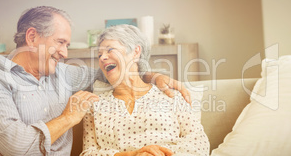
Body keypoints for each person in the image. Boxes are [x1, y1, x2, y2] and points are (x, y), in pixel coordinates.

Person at [0, 6, 190, 155]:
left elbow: (115, 73)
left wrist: (153, 76)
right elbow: (17, 147)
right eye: (61, 42)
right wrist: (67, 118)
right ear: (32, 38)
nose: (65, 53)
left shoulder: (63, 74)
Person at [80, 24, 209, 156]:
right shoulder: (94, 105)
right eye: (99, 54)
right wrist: (132, 155)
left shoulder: (170, 96)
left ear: (136, 52)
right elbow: (88, 153)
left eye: (110, 50)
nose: (102, 58)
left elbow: (198, 142)